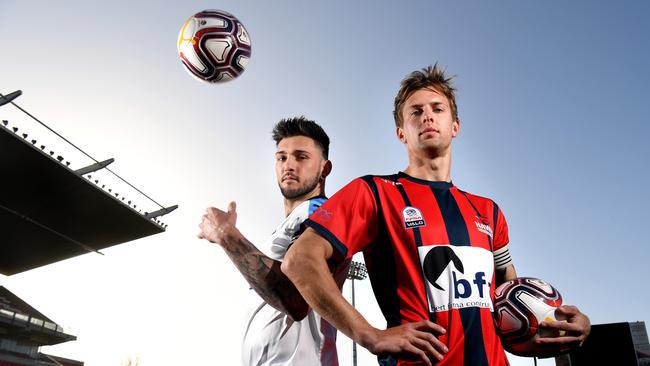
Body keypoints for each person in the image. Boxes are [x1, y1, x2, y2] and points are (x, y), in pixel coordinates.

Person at [282, 64, 591, 366]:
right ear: (401, 133)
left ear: (455, 126)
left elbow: (509, 307)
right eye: (415, 111)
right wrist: (369, 335)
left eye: (437, 108)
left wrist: (559, 324)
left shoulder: (489, 211)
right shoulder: (374, 192)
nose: (427, 115)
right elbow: (299, 260)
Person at [197, 117, 348, 365]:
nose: (289, 165)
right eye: (282, 157)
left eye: (301, 157)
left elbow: (295, 299)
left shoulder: (320, 213)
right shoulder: (286, 227)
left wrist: (227, 235)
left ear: (324, 168)